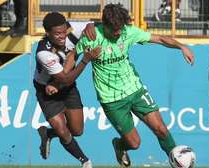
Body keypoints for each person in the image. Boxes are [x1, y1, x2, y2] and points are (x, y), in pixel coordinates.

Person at [72, 3, 194, 167]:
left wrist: (181, 46)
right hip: (111, 100)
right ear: (105, 26)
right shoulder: (92, 36)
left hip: (135, 90)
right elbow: (73, 53)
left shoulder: (128, 32)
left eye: (120, 29)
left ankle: (178, 163)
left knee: (161, 130)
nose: (118, 33)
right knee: (134, 143)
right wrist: (61, 77)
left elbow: (159, 38)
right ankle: (120, 145)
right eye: (114, 30)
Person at [33, 12, 100, 168]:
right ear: (47, 33)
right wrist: (85, 60)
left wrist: (91, 24)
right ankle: (85, 161)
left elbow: (98, 25)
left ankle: (48, 133)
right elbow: (66, 78)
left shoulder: (71, 29)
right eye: (57, 33)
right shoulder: (43, 53)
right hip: (46, 90)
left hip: (67, 89)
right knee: (62, 130)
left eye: (64, 31)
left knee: (77, 131)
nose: (62, 36)